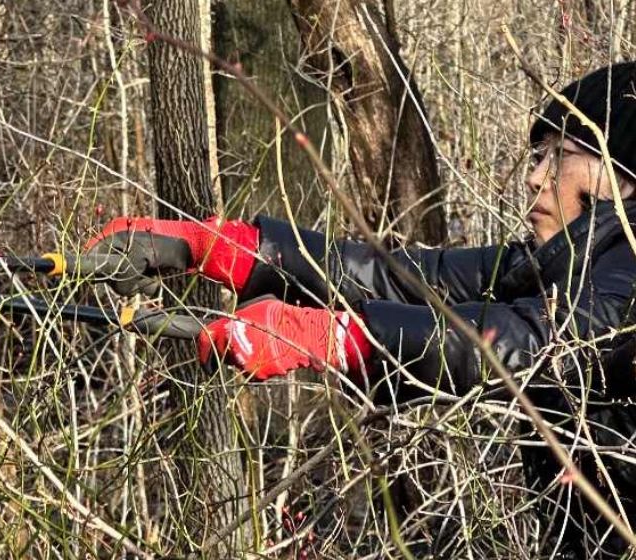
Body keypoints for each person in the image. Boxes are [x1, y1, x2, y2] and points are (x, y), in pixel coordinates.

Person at [86, 62, 636, 557]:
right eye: (535, 156)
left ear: (620, 173)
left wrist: (331, 337)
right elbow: (401, 279)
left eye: (558, 155)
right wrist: (224, 249)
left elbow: (533, 344)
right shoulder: (549, 264)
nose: (535, 177)